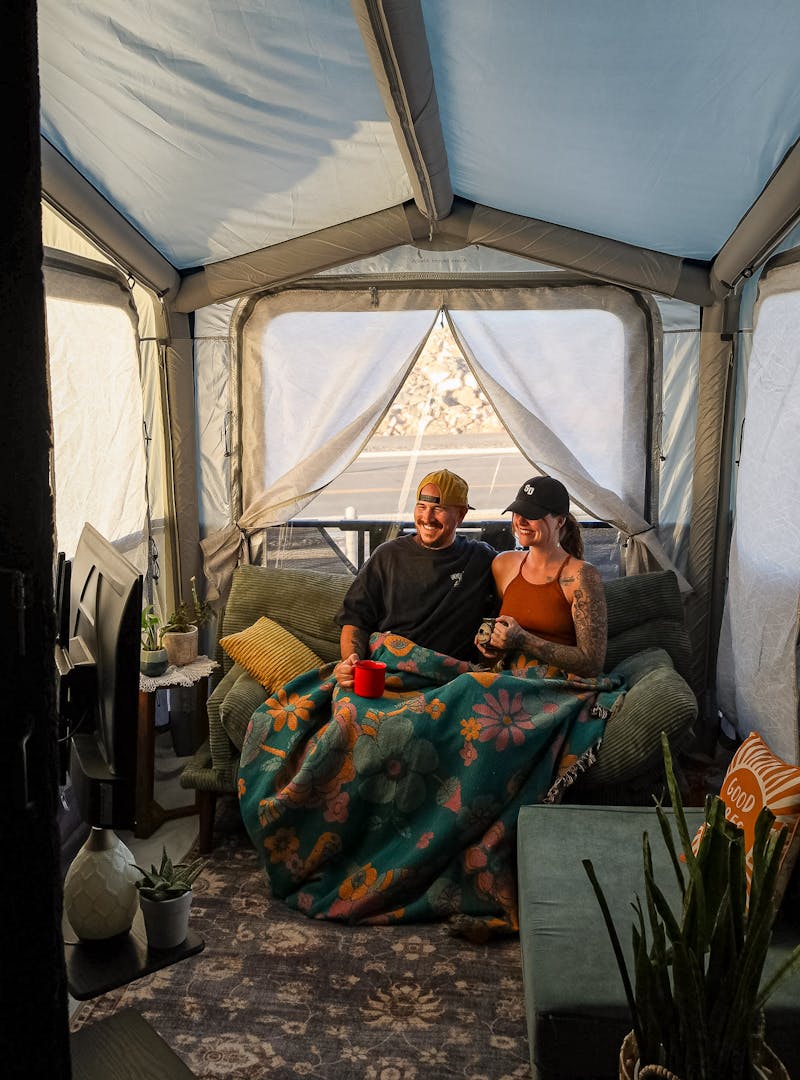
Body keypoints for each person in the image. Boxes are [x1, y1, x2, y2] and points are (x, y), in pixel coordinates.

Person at [334, 469, 497, 687]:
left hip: (451, 682)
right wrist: (350, 663)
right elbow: (355, 620)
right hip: (388, 671)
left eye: (438, 509)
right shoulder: (387, 555)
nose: (427, 518)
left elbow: (524, 574)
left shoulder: (481, 558)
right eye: (422, 507)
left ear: (461, 515)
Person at [476, 475, 607, 677]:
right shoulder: (504, 564)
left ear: (560, 521)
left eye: (531, 514)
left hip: (554, 686)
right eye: (516, 512)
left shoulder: (581, 575)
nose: (520, 521)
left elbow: (592, 663)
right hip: (506, 681)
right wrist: (491, 642)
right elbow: (499, 634)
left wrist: (524, 640)